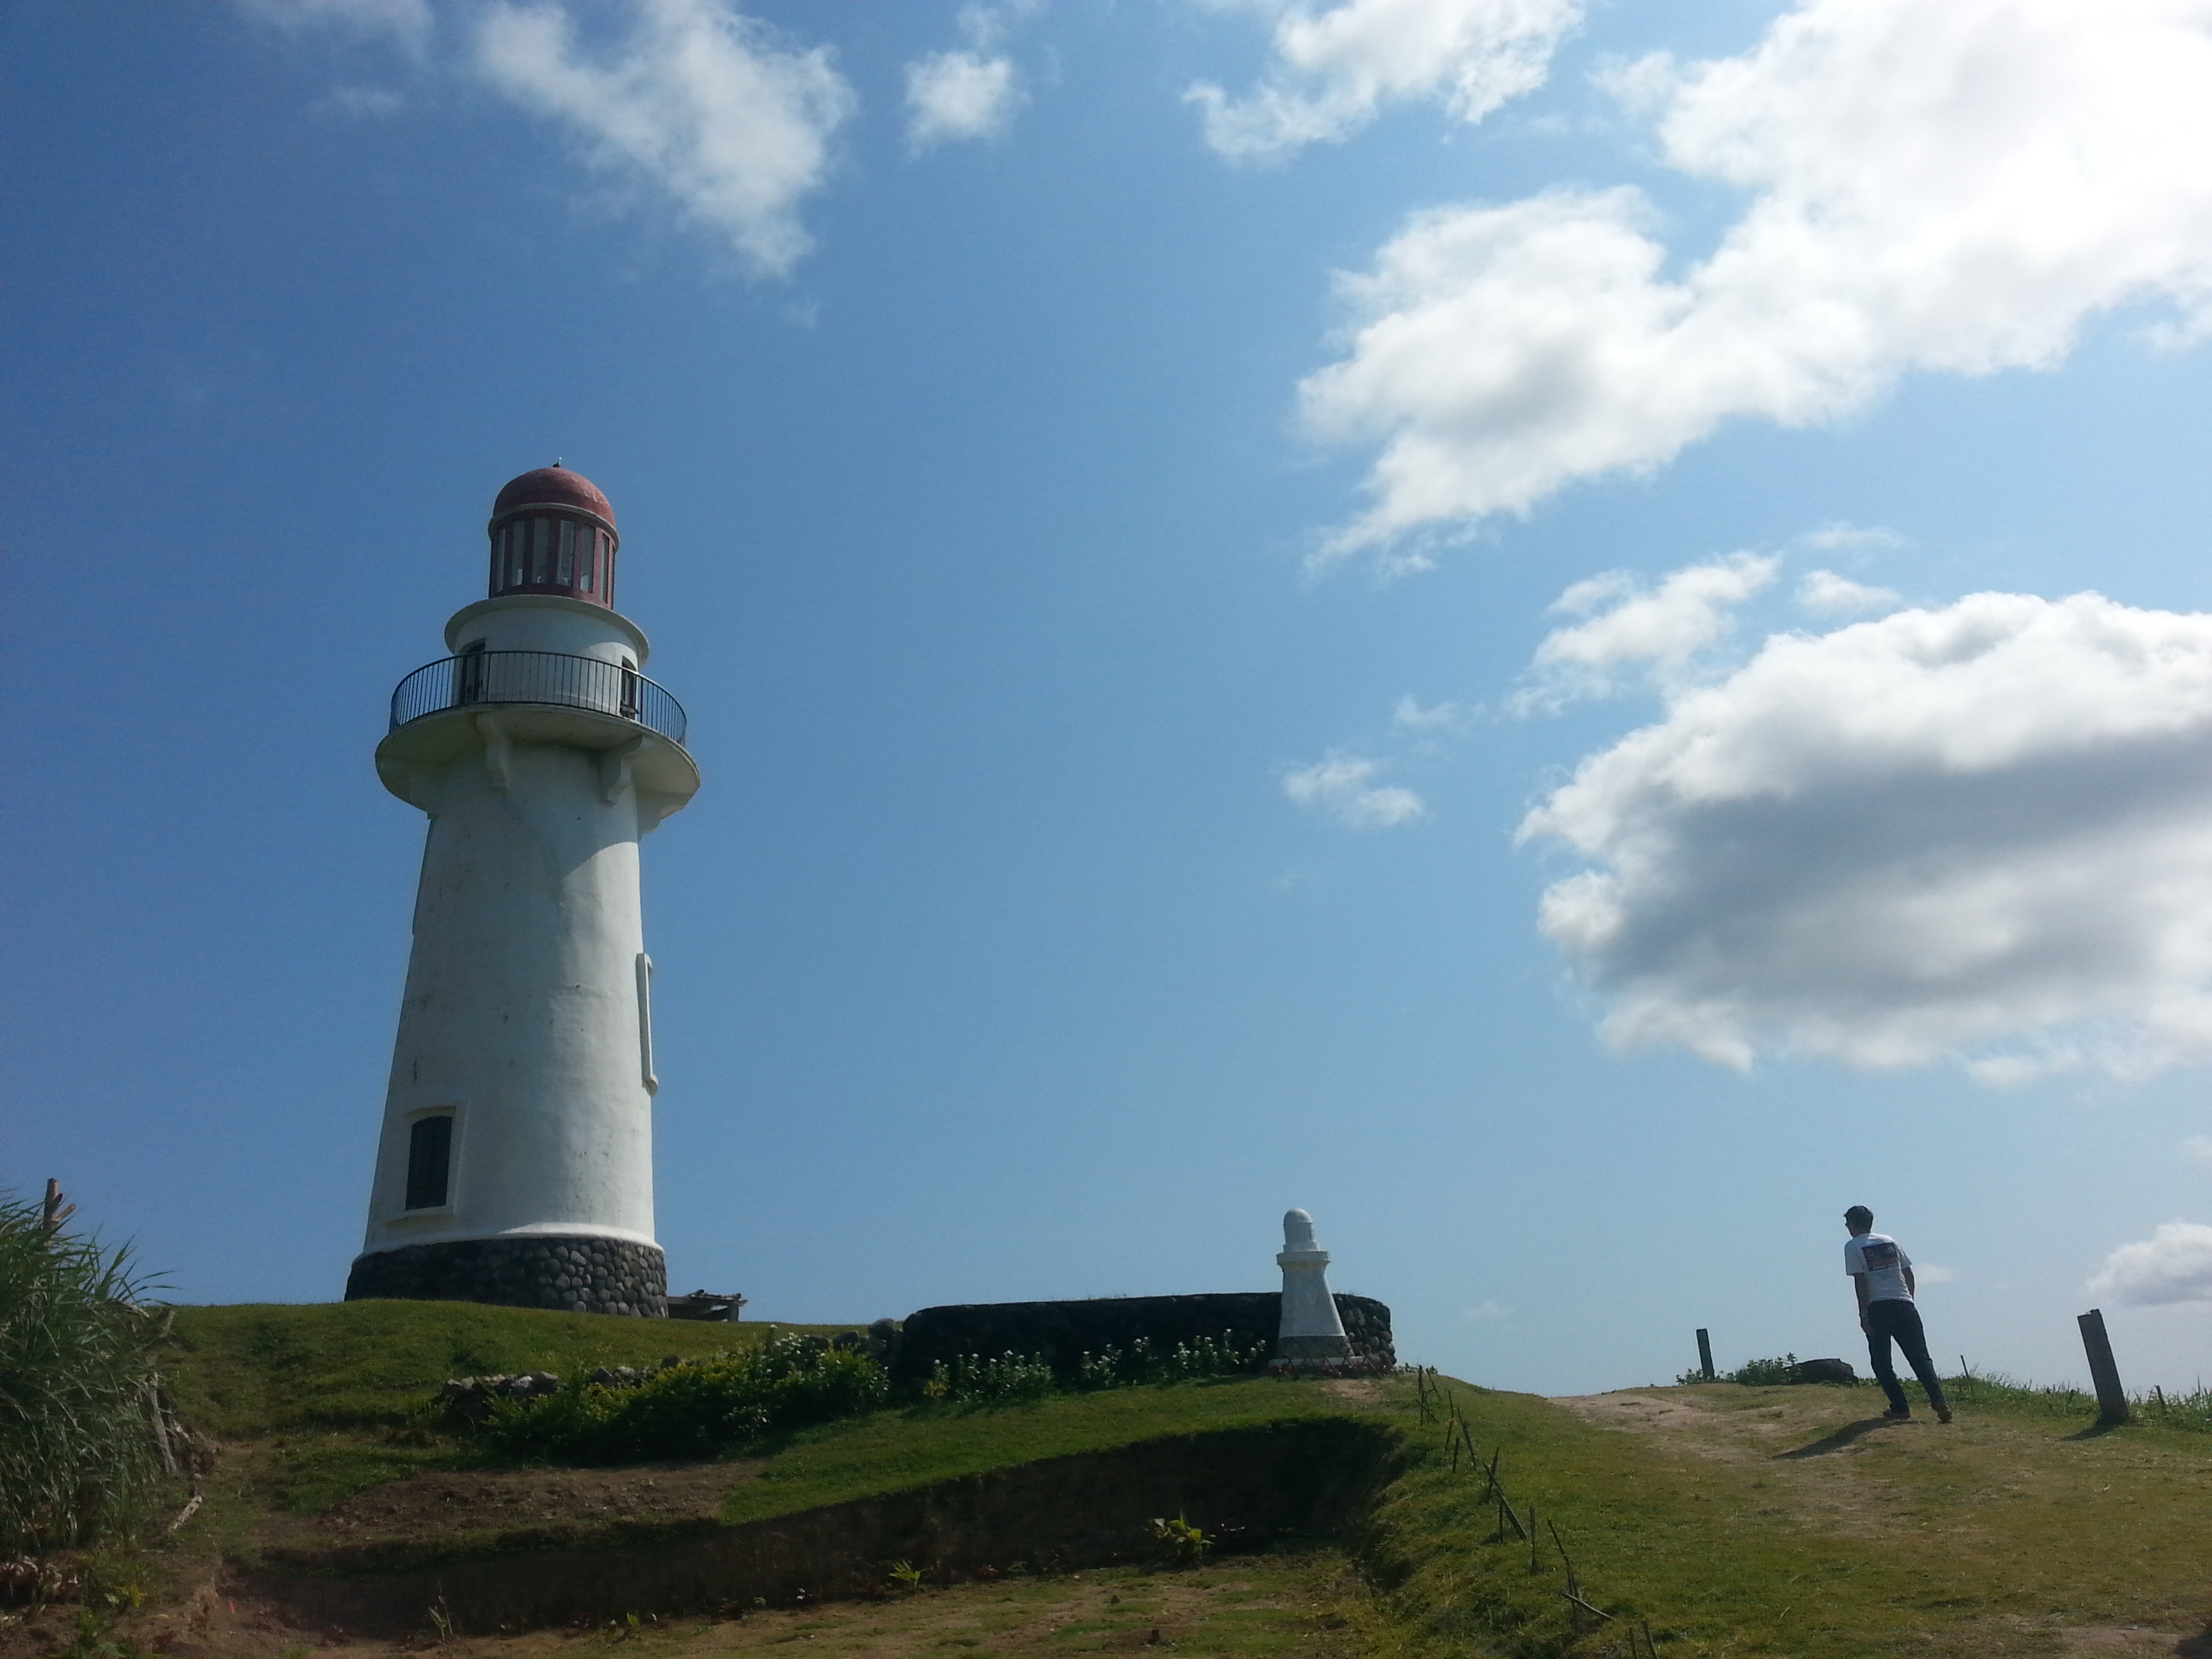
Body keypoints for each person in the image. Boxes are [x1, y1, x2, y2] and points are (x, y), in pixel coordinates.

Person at [1843, 1205, 1951, 1423]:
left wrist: (1863, 1315)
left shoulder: (1853, 1246)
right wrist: (1909, 1298)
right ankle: (1939, 1401)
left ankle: (1900, 1406)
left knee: (1881, 1363)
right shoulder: (1889, 1241)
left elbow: (1861, 1282)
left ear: (1853, 1225)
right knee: (1921, 1359)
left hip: (1878, 1307)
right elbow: (1908, 1273)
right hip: (1904, 1305)